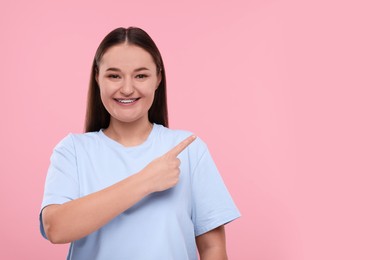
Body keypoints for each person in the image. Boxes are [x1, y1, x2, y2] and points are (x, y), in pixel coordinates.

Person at [39, 27, 240, 260]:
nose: (126, 88)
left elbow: (212, 248)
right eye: (114, 75)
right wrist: (145, 181)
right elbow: (56, 228)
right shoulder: (73, 150)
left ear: (158, 79)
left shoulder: (189, 149)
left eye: (141, 75)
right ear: (97, 78)